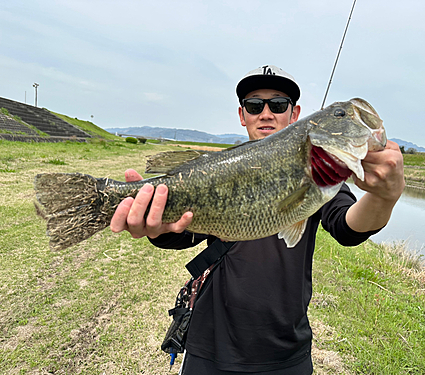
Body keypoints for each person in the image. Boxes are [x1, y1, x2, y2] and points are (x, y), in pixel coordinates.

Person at [109, 64, 405, 374]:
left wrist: (385, 196)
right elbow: (179, 234)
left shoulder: (322, 173)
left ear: (295, 114)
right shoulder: (219, 170)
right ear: (242, 115)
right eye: (255, 105)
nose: (266, 113)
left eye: (278, 105)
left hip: (286, 351)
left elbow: (347, 227)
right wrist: (153, 225)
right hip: (210, 344)